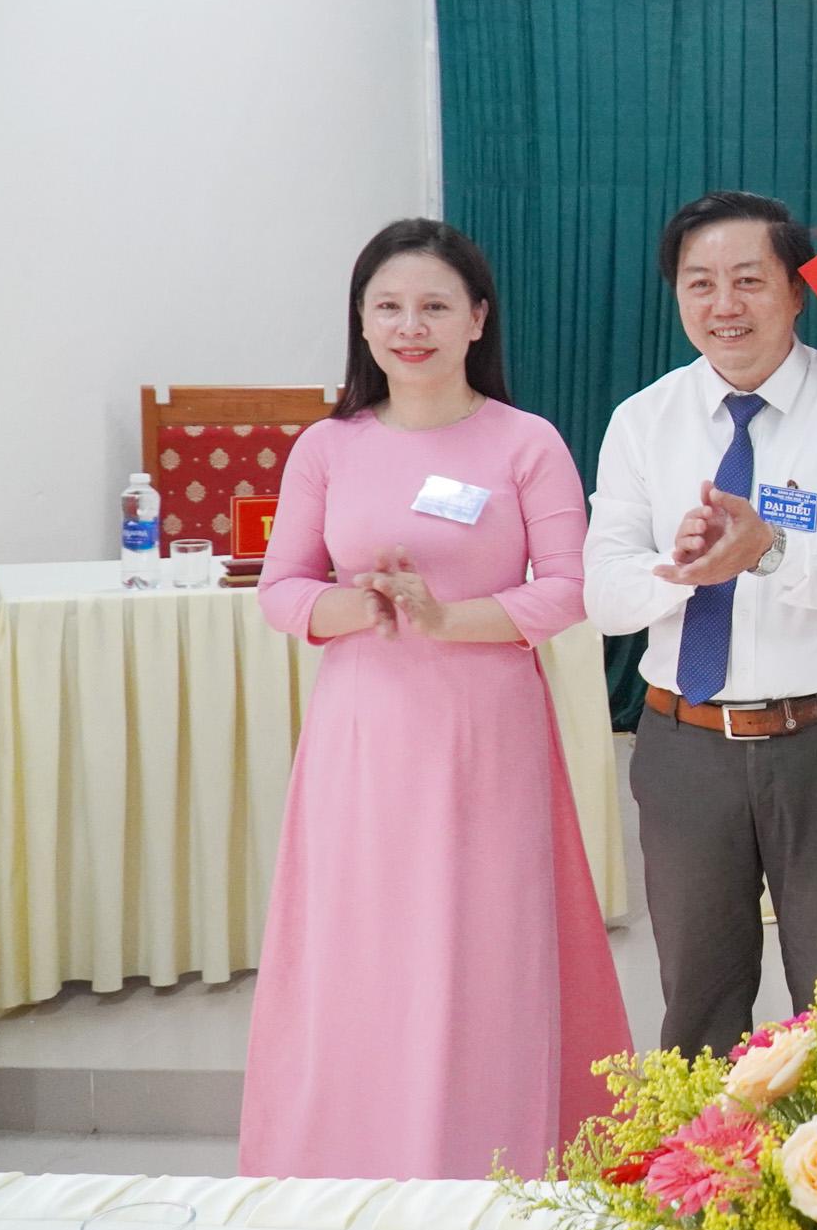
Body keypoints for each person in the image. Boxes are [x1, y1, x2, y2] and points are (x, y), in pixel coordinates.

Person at [244, 219, 627, 1178]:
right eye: (388, 307)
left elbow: (570, 587)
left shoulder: (527, 442)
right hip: (363, 733)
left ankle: (490, 1157)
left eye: (433, 306)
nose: (409, 327)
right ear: (361, 322)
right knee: (364, 947)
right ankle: (350, 1158)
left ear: (477, 320)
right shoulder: (326, 447)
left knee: (483, 946)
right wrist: (357, 605)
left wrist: (448, 617)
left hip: (484, 731)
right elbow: (280, 588)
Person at [585, 192, 817, 1060]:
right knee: (697, 1008)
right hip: (685, 748)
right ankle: (706, 1152)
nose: (723, 305)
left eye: (748, 280)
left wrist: (771, 550)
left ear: (795, 291)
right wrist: (680, 569)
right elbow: (605, 594)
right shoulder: (643, 421)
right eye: (699, 283)